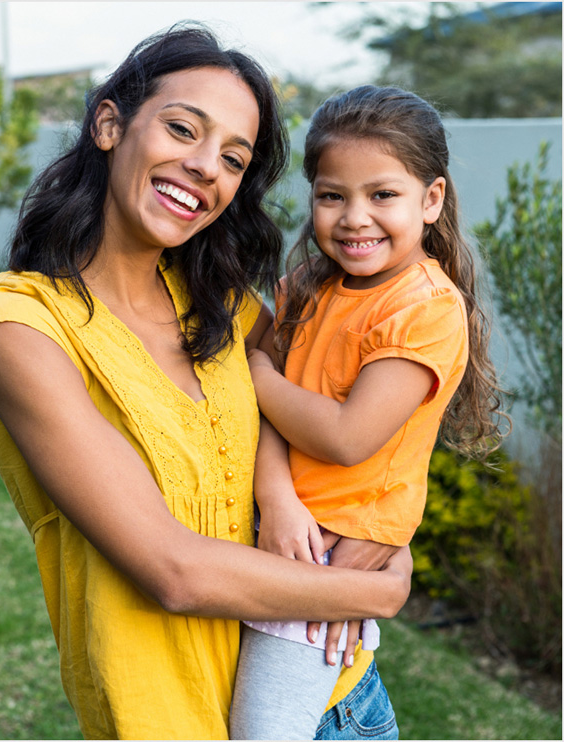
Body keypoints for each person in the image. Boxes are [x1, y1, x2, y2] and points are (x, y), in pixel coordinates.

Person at [0, 27, 413, 741]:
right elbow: (172, 571)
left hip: (339, 703)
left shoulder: (227, 306)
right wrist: (380, 589)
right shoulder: (20, 330)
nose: (207, 167)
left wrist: (382, 529)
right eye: (183, 128)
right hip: (171, 718)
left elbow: (330, 432)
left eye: (233, 158)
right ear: (110, 123)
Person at [230, 85, 508, 740]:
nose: (355, 217)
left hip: (331, 554)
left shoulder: (424, 309)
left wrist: (252, 370)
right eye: (333, 195)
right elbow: (274, 417)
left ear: (430, 199)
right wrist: (277, 495)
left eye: (382, 195)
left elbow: (348, 437)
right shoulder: (308, 287)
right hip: (291, 534)